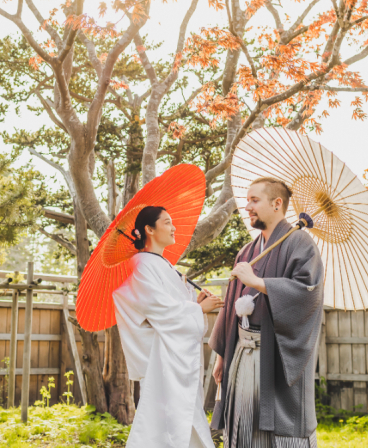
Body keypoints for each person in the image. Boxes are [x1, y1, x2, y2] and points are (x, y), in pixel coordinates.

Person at [209, 177, 324, 448]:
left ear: (277, 204)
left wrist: (258, 282)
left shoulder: (301, 245)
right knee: (242, 424)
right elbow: (231, 303)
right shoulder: (247, 252)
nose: (247, 206)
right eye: (247, 200)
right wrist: (222, 355)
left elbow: (307, 292)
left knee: (276, 430)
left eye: (254, 200)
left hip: (274, 353)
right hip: (241, 351)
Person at [113, 206, 224, 448]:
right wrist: (198, 310)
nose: (174, 228)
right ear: (149, 229)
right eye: (167, 222)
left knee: (182, 414)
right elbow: (156, 309)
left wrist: (195, 304)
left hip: (176, 355)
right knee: (166, 419)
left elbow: (170, 307)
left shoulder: (163, 264)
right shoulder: (141, 264)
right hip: (163, 358)